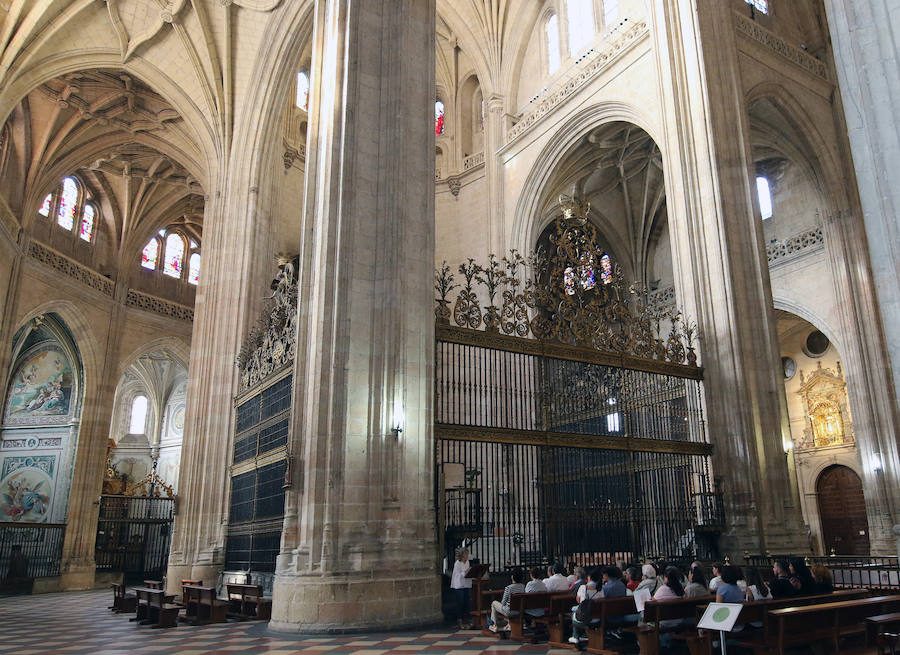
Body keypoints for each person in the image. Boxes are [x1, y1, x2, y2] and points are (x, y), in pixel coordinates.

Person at [569, 568, 602, 643]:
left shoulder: (583, 587)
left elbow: (579, 601)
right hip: (598, 619)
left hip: (585, 618)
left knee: (574, 612)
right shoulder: (601, 588)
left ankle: (576, 636)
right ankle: (583, 635)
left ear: (589, 577)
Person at [450, 548, 473, 629]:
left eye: (467, 554)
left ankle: (467, 620)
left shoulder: (467, 562)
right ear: (462, 555)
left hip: (466, 584)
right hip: (459, 585)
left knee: (467, 602)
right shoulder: (457, 563)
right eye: (466, 554)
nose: (467, 555)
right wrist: (466, 572)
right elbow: (457, 575)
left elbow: (467, 573)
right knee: (460, 603)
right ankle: (459, 620)